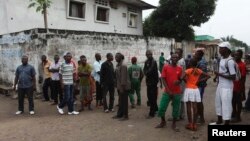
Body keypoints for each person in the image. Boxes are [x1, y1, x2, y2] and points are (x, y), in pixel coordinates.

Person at [155, 53, 182, 131]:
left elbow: (180, 79)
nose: (174, 59)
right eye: (173, 57)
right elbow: (163, 79)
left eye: (176, 57)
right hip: (167, 92)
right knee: (161, 108)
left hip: (177, 92)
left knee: (176, 109)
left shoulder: (179, 68)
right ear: (171, 58)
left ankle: (174, 124)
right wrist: (169, 90)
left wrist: (179, 82)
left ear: (178, 59)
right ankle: (163, 121)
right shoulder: (166, 67)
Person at [182, 59, 210, 131]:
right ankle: (194, 125)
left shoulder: (188, 70)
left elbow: (182, 77)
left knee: (188, 107)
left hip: (189, 89)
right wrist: (198, 81)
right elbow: (208, 76)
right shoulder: (198, 70)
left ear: (190, 63)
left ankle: (190, 124)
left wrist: (186, 80)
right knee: (195, 107)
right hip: (195, 89)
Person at [211, 42, 236, 125]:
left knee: (226, 104)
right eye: (220, 48)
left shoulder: (230, 61)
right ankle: (219, 120)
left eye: (221, 48)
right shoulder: (221, 58)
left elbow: (233, 76)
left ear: (226, 49)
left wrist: (219, 74)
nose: (219, 49)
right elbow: (222, 71)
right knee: (218, 102)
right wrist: (216, 77)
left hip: (227, 87)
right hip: (220, 85)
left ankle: (226, 123)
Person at [112, 53, 131, 121]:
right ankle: (119, 114)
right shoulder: (118, 65)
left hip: (124, 87)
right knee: (120, 101)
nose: (116, 58)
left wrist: (122, 88)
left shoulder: (123, 65)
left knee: (124, 102)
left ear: (121, 58)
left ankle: (125, 116)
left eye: (117, 57)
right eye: (115, 57)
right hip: (120, 86)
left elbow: (123, 78)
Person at [231, 49, 246, 122]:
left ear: (241, 56)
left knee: (238, 102)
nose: (236, 56)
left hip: (238, 86)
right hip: (232, 86)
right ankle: (234, 113)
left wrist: (242, 89)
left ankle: (238, 117)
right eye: (235, 55)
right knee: (233, 101)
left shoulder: (242, 65)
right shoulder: (233, 63)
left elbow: (243, 78)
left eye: (237, 55)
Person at [143, 50, 159, 118]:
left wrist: (146, 73)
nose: (149, 55)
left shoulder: (153, 61)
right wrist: (146, 72)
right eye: (147, 54)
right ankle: (155, 109)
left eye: (150, 54)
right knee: (150, 96)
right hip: (149, 81)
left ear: (152, 54)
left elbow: (150, 70)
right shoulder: (146, 61)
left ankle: (151, 113)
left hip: (153, 82)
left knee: (152, 97)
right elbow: (144, 69)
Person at [193, 50, 208, 124]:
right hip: (197, 85)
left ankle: (202, 118)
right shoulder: (198, 61)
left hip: (200, 85)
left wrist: (198, 81)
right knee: (197, 101)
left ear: (199, 55)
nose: (194, 55)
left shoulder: (202, 63)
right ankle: (199, 116)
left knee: (199, 102)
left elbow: (206, 76)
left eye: (195, 54)